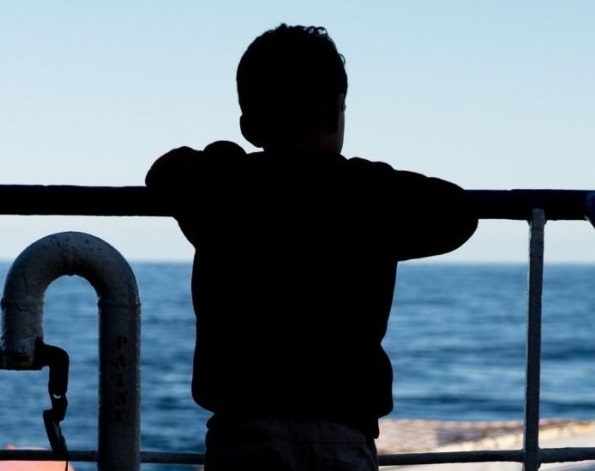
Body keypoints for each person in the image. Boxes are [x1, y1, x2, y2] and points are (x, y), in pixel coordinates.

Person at [145, 23, 478, 471]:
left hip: (243, 426)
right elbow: (459, 213)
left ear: (249, 125)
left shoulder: (223, 186)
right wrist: (366, 176)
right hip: (342, 429)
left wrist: (224, 155)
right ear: (336, 112)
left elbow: (164, 172)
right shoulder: (370, 196)